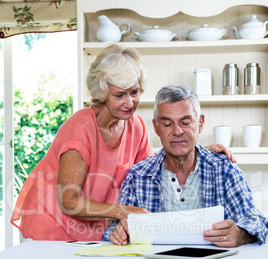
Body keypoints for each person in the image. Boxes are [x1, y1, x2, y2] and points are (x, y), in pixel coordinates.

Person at [11, 45, 234, 241]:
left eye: (134, 92)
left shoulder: (135, 126)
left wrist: (193, 150)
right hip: (52, 225)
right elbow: (69, 201)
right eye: (119, 95)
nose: (129, 103)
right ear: (102, 93)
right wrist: (121, 211)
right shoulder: (80, 130)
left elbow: (151, 169)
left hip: (93, 230)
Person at [103, 85, 268, 247]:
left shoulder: (224, 170)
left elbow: (257, 223)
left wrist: (240, 234)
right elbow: (111, 231)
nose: (177, 131)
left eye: (186, 122)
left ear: (201, 123)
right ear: (156, 128)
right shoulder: (137, 176)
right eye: (168, 124)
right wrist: (119, 233)